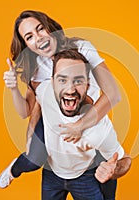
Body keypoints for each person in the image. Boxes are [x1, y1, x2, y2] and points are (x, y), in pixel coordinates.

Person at [0, 10, 123, 198]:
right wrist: (14, 89)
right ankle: (14, 168)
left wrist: (81, 126)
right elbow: (29, 110)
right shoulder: (37, 69)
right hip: (59, 129)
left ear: (50, 27)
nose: (38, 38)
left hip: (89, 120)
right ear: (26, 45)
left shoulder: (82, 48)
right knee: (34, 159)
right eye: (29, 37)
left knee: (107, 184)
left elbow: (113, 94)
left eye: (40, 29)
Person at [36, 49, 131, 199]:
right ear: (52, 82)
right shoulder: (44, 92)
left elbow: (125, 160)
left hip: (84, 174)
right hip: (51, 172)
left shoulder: (99, 128)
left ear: (88, 86)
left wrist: (114, 169)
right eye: (62, 80)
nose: (70, 89)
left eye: (78, 81)